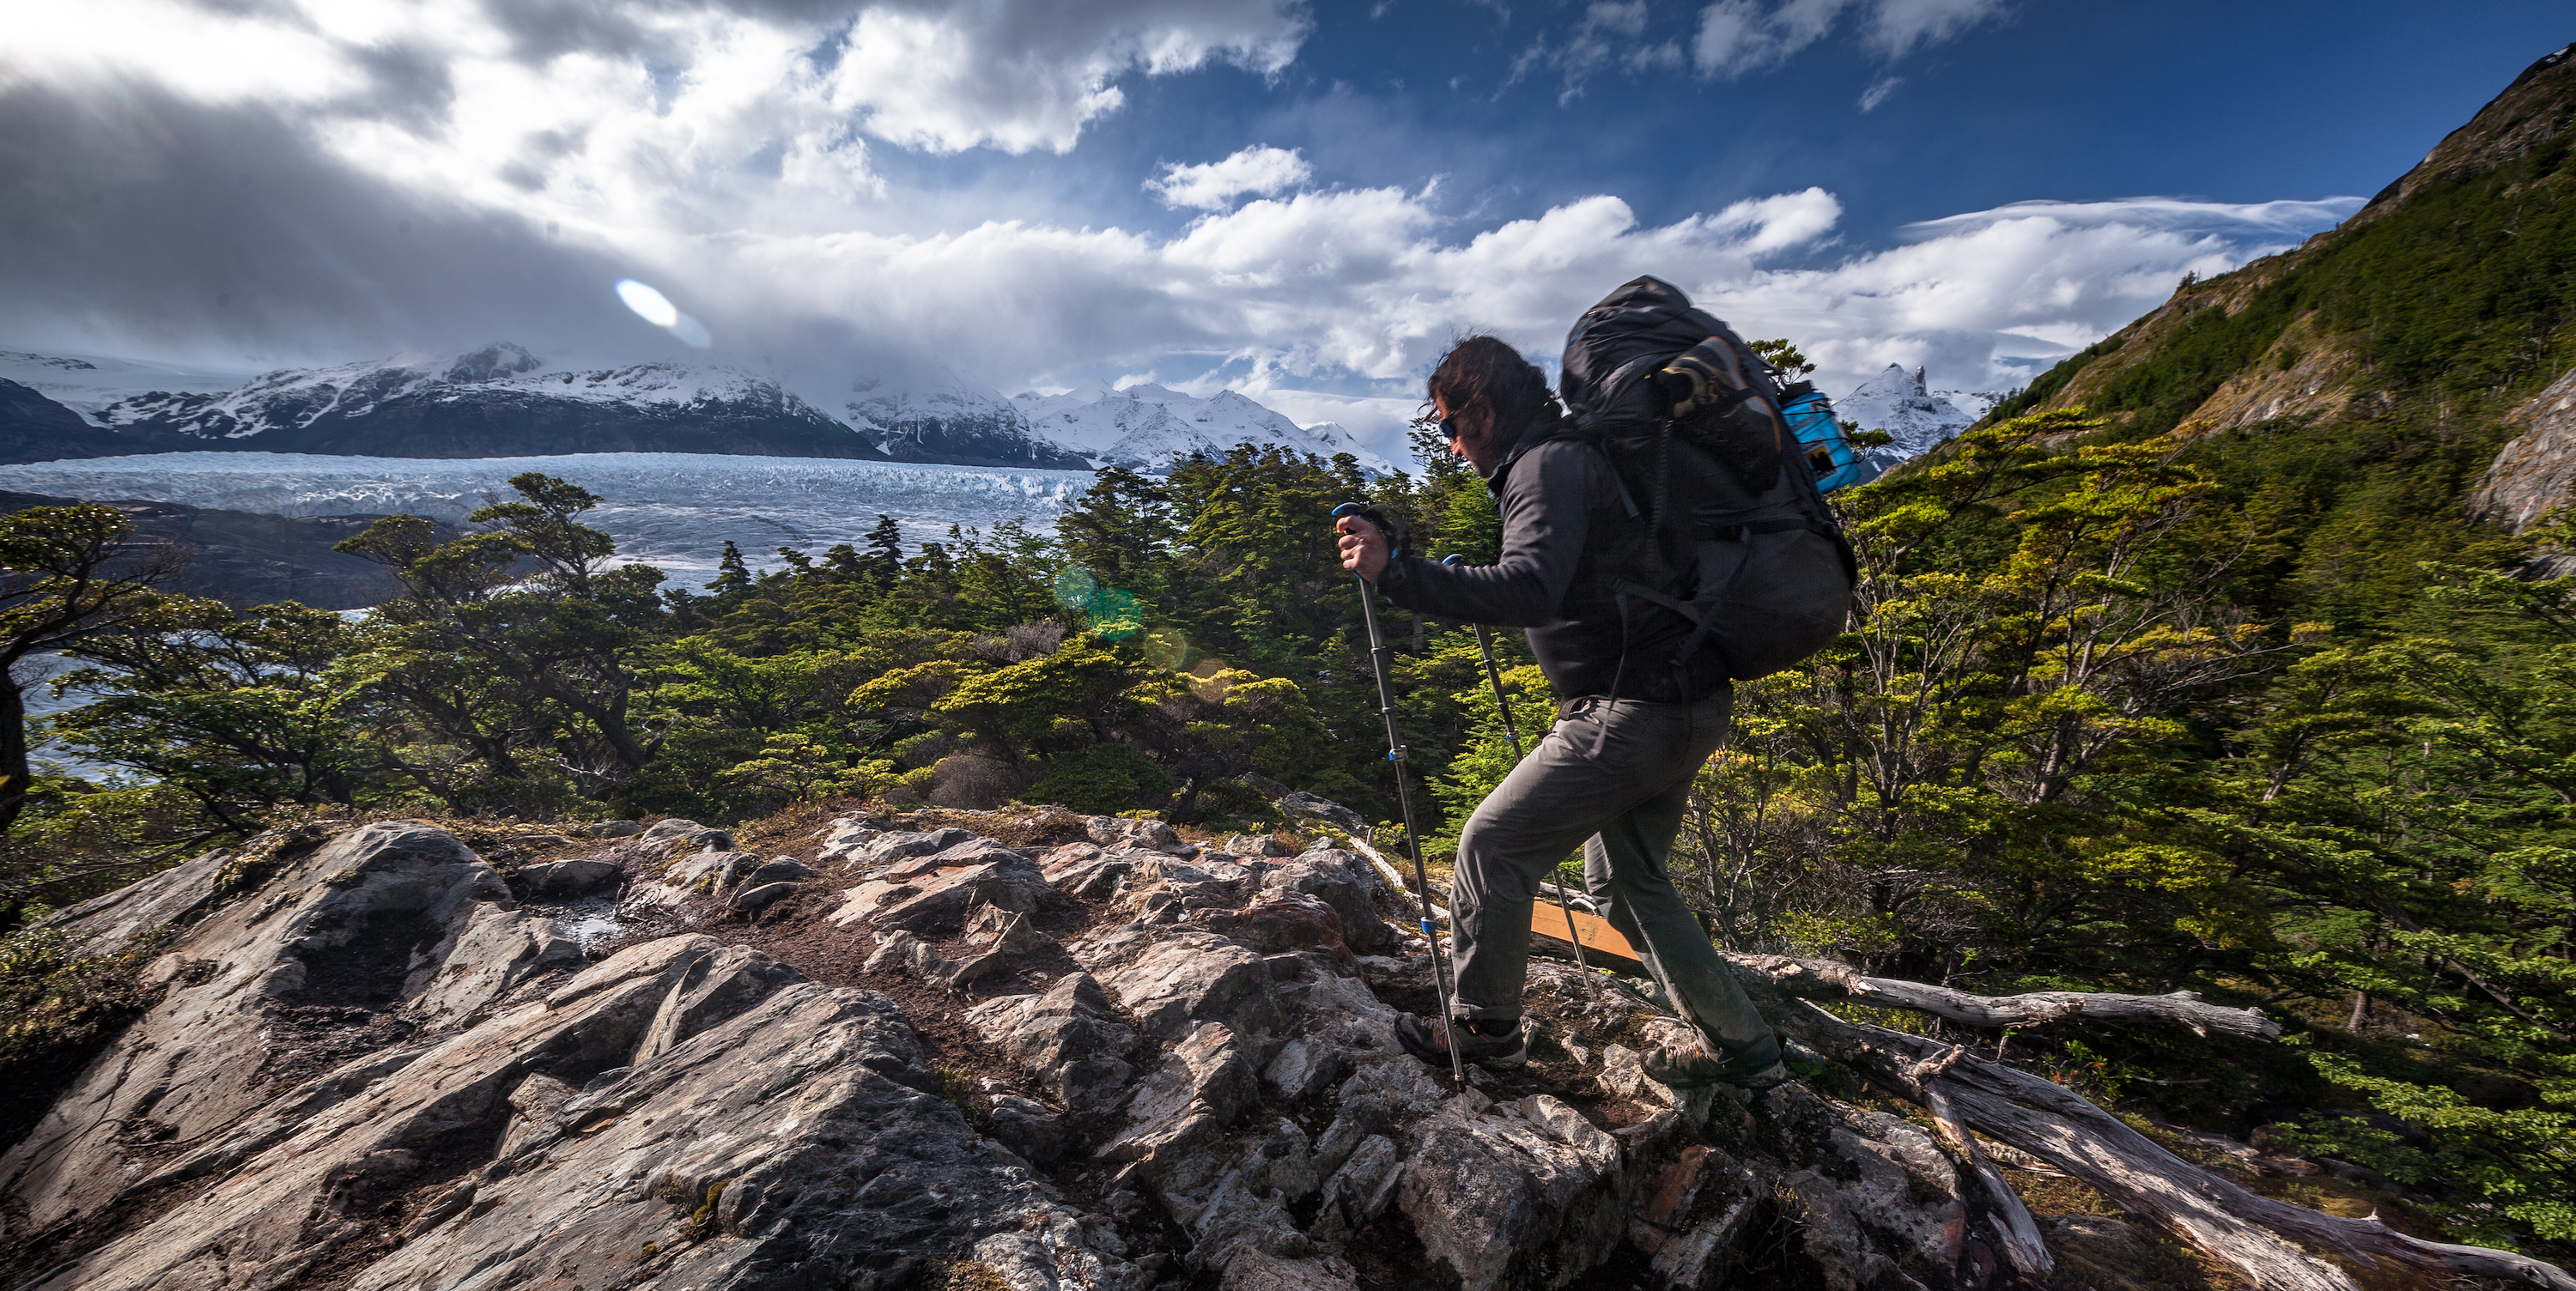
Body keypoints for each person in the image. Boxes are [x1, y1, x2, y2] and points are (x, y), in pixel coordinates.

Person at [1333, 335, 1786, 1090]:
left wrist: (1397, 573)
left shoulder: (1545, 464)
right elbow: (1565, 575)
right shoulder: (1576, 454)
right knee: (1626, 881)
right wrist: (1442, 574)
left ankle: (1483, 1032)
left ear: (1483, 408)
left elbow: (1530, 588)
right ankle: (1750, 1052)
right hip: (1689, 703)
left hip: (1629, 711)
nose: (1449, 446)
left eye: (1451, 425)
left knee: (1492, 849)